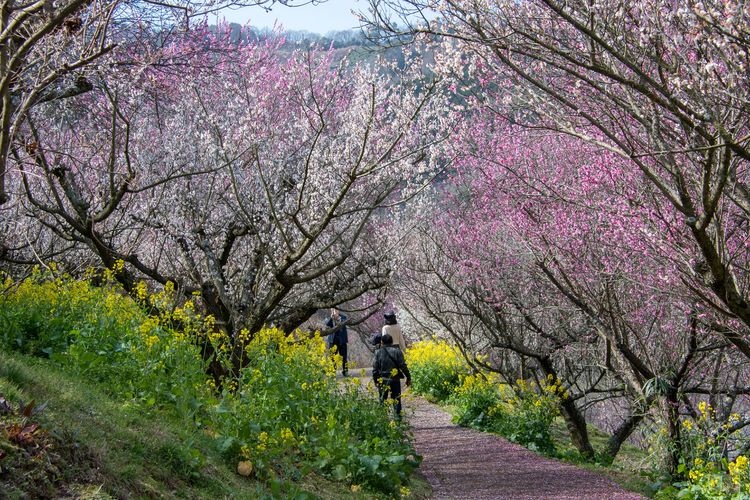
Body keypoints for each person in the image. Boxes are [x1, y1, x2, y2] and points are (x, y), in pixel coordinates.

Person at [372, 333, 411, 418]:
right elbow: (403, 366)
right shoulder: (397, 351)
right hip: (395, 379)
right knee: (396, 400)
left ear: (382, 342)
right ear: (392, 342)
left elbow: (375, 369)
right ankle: (398, 421)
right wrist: (408, 377)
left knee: (382, 400)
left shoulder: (377, 353)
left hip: (383, 379)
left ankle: (383, 420)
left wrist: (375, 380)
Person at [325, 308, 348, 376]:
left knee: (344, 357)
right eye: (333, 310)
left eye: (335, 310)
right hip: (332, 340)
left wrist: (338, 318)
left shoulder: (343, 317)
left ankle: (345, 371)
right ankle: (332, 371)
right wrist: (332, 318)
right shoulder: (328, 318)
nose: (334, 312)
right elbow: (327, 324)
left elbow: (344, 323)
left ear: (338, 310)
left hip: (342, 340)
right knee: (332, 357)